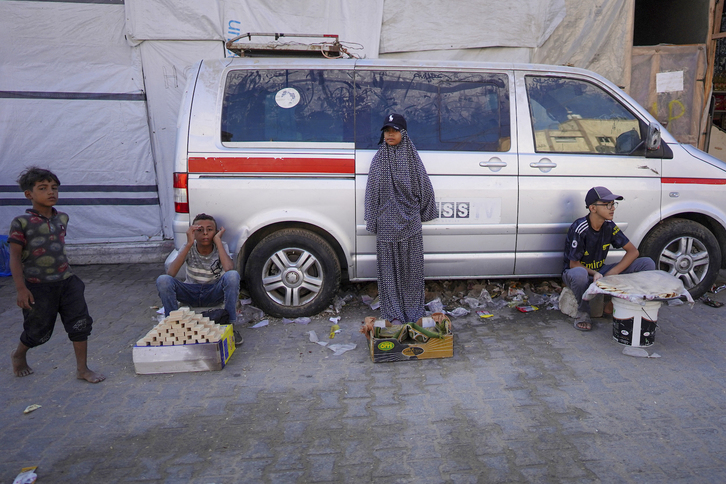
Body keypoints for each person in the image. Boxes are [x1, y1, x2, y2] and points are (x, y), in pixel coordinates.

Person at [8, 167, 105, 383]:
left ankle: (82, 369)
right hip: (38, 286)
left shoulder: (62, 218)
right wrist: (21, 289)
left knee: (80, 324)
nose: (51, 192)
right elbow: (14, 257)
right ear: (29, 194)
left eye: (54, 188)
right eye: (43, 188)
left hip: (68, 282)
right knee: (38, 332)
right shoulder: (21, 223)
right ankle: (19, 354)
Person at [364, 113, 438, 324]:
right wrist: (372, 219)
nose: (390, 135)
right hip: (386, 227)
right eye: (387, 131)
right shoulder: (379, 159)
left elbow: (425, 188)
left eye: (394, 130)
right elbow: (371, 193)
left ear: (403, 133)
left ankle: (413, 314)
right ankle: (394, 315)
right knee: (389, 276)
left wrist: (421, 213)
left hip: (410, 225)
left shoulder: (413, 159)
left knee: (412, 275)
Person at [562, 186, 655, 331]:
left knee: (647, 264)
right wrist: (594, 273)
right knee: (579, 275)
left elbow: (633, 252)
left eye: (613, 204)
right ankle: (583, 312)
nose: (612, 208)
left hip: (601, 271)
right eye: (607, 205)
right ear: (593, 208)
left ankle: (613, 304)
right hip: (578, 273)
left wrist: (613, 272)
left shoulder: (609, 226)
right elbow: (573, 264)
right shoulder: (580, 228)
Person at [156, 213, 242, 344]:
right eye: (200, 230)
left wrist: (218, 241)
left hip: (213, 292)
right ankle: (173, 326)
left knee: (233, 276)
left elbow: (229, 268)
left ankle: (229, 326)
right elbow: (171, 273)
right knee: (163, 280)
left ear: (216, 232)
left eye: (210, 230)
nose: (205, 233)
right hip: (191, 292)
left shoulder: (221, 245)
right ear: (193, 232)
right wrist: (189, 243)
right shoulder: (188, 247)